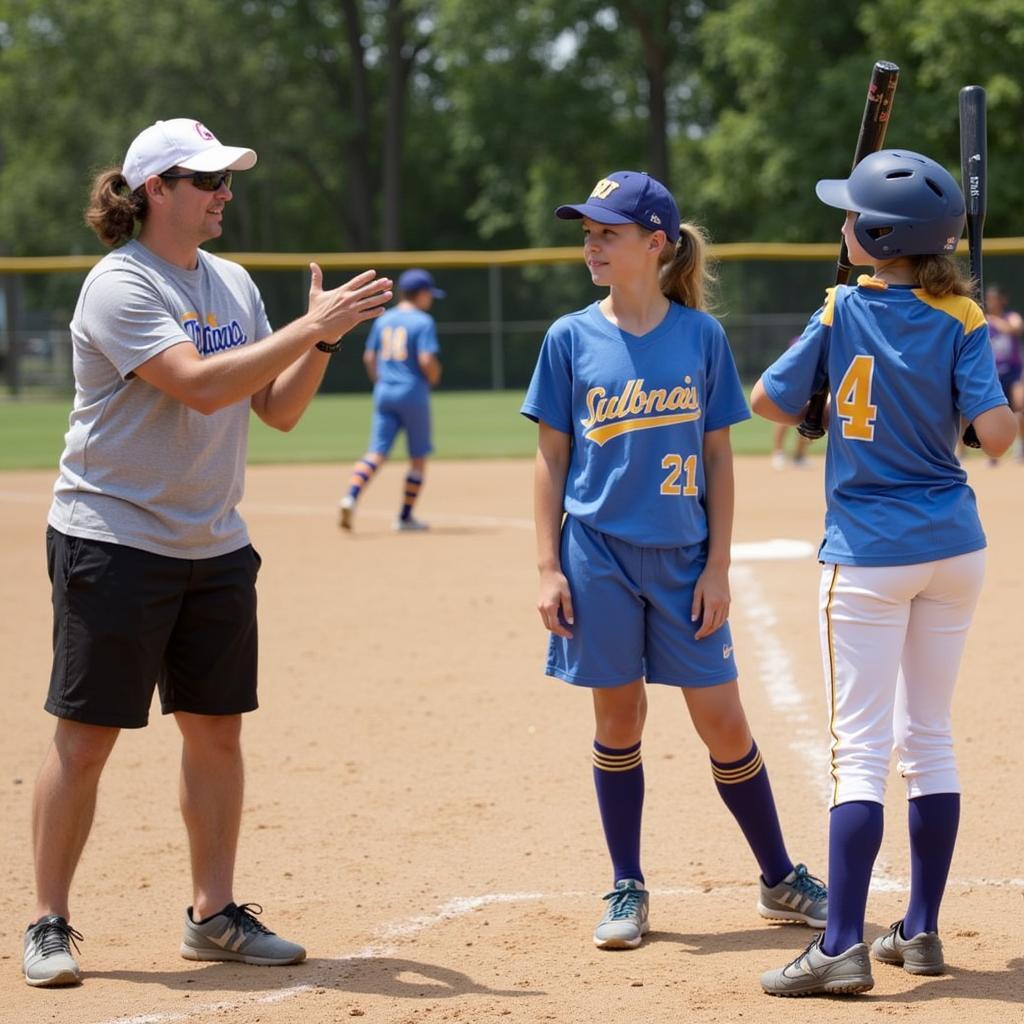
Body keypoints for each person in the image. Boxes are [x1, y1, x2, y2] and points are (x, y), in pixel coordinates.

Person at [23, 117, 392, 988]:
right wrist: (311, 327)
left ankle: (213, 915)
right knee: (86, 739)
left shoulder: (230, 283)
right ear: (157, 190)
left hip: (213, 540)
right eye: (208, 181)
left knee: (217, 734)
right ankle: (48, 921)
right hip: (112, 537)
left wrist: (323, 337)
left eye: (227, 181)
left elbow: (277, 409)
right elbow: (198, 386)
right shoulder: (120, 285)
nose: (226, 194)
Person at [521, 170, 828, 951]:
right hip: (597, 555)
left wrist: (719, 567)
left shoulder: (701, 338)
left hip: (684, 560)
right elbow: (550, 456)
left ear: (655, 243)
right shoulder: (569, 337)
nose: (591, 242)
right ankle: (627, 885)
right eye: (587, 230)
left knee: (722, 721)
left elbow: (720, 459)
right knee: (619, 716)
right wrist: (547, 565)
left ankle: (778, 877)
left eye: (608, 231)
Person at [752, 150, 1016, 997]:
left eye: (848, 217)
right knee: (929, 739)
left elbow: (767, 402)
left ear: (874, 236)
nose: (840, 227)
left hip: (868, 554)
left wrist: (824, 392)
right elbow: (999, 436)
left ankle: (840, 946)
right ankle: (923, 929)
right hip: (954, 548)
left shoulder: (838, 308)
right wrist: (972, 410)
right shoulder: (964, 316)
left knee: (858, 752)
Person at [338, 268, 443, 532]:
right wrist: (434, 376)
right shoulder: (423, 321)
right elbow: (426, 360)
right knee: (417, 458)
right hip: (413, 392)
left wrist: (381, 381)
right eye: (429, 294)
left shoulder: (385, 320)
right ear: (420, 294)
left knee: (376, 453)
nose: (430, 299)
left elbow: (369, 358)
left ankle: (350, 496)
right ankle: (405, 517)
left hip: (384, 391)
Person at [984, 283, 1024, 462]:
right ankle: (993, 454)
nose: (991, 302)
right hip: (993, 374)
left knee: (1020, 409)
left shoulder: (1010, 317)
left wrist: (994, 320)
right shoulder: (983, 320)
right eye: (989, 299)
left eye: (995, 299)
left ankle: (1020, 448)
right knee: (989, 413)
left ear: (1002, 300)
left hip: (1013, 372)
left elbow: (1015, 328)